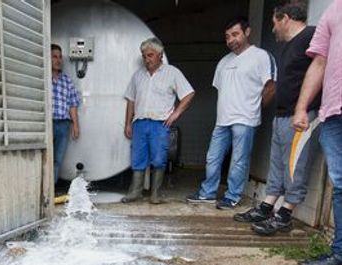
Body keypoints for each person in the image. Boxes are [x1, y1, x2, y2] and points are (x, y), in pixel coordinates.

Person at [234, 1, 320, 235]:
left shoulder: (311, 36)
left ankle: (284, 216)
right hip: (282, 114)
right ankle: (266, 206)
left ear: (286, 19)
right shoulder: (290, 46)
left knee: (295, 166)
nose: (272, 29)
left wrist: (304, 109)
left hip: (302, 115)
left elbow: (321, 69)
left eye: (274, 23)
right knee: (277, 165)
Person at [187, 17, 276, 209]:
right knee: (213, 157)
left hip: (245, 119)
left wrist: (255, 108)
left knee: (238, 160)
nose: (231, 40)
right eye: (227, 37)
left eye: (235, 34)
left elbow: (270, 86)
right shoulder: (223, 62)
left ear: (247, 32)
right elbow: (221, 90)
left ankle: (232, 195)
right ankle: (207, 193)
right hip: (222, 120)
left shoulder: (261, 56)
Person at [293, 0, 342, 265]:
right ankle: (340, 254)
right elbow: (320, 61)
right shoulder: (334, 10)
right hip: (334, 112)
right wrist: (302, 107)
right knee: (341, 186)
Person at [122, 37, 195, 204]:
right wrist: (127, 123)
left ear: (160, 55)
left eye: (150, 55)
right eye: (144, 56)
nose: (146, 59)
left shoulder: (172, 73)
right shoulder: (138, 76)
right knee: (138, 157)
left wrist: (175, 114)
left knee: (158, 158)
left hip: (160, 124)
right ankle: (135, 192)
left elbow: (189, 94)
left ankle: (155, 194)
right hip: (139, 123)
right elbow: (131, 100)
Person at [51, 43, 80, 185]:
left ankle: (51, 190)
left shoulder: (66, 80)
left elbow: (72, 104)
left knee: (57, 159)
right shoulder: (42, 79)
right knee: (44, 158)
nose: (58, 60)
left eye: (60, 57)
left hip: (63, 124)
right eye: (54, 57)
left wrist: (75, 125)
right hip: (47, 124)